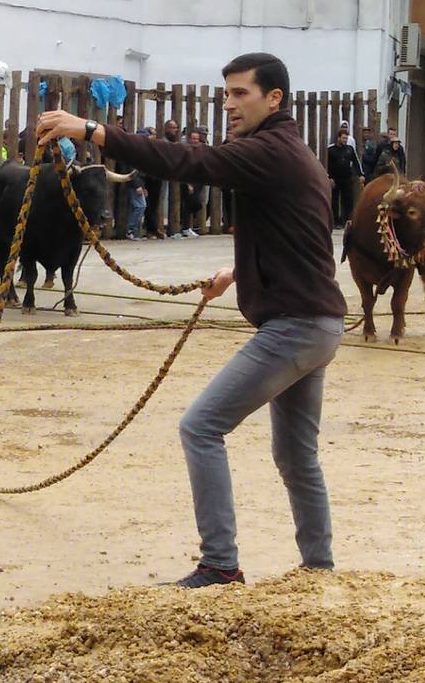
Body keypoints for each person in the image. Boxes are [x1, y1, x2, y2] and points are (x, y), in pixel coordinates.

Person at [37, 51, 347, 587]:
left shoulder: (269, 150)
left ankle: (220, 564)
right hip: (316, 324)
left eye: (240, 93)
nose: (228, 104)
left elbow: (185, 163)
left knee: (200, 427)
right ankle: (318, 570)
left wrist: (91, 129)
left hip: (295, 326)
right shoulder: (292, 152)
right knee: (296, 457)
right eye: (226, 93)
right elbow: (303, 237)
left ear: (274, 99)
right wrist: (239, 272)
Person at [326, 127, 363, 229]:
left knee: (348, 200)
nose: (345, 140)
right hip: (335, 179)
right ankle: (336, 221)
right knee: (334, 201)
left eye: (346, 139)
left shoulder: (349, 149)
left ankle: (347, 220)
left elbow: (356, 162)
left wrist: (360, 174)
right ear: (338, 138)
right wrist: (329, 177)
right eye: (343, 138)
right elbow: (326, 165)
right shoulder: (331, 150)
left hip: (347, 178)